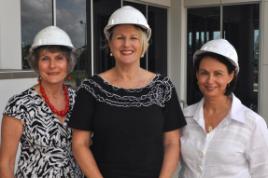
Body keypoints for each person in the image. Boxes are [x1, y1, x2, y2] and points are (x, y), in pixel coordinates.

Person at [68, 6, 186, 178]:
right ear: (110, 43)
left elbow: (172, 143)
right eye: (120, 38)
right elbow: (80, 143)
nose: (126, 44)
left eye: (134, 38)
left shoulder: (163, 87)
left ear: (143, 44)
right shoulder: (91, 88)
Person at [0, 26, 83, 177]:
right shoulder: (19, 105)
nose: (52, 66)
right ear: (36, 63)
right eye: (45, 58)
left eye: (59, 58)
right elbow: (6, 162)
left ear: (68, 62)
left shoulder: (78, 99)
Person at [180, 39, 268, 178]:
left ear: (231, 76)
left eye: (218, 73)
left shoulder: (253, 123)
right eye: (204, 73)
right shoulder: (185, 118)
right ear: (197, 75)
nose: (210, 80)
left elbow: (263, 173)